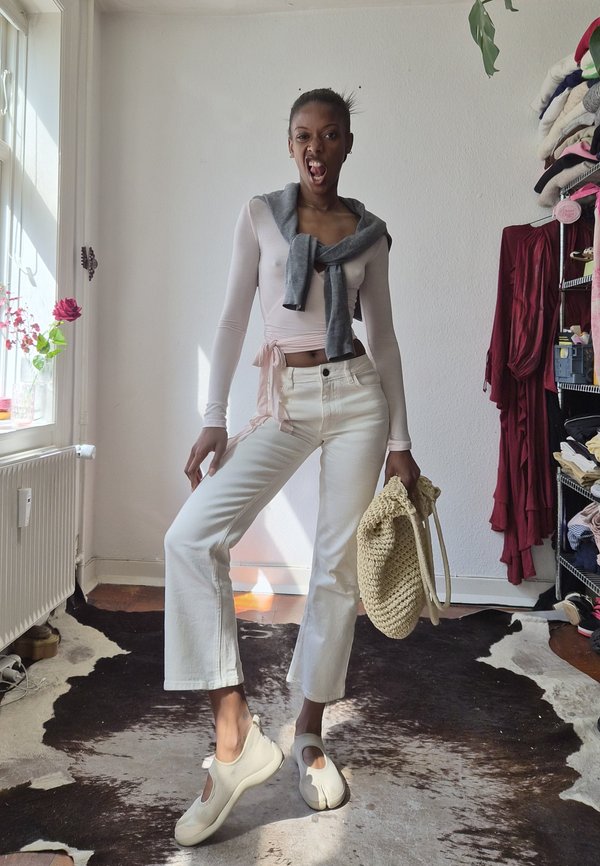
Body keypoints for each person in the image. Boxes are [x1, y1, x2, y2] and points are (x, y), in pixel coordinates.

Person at [164, 87, 420, 847]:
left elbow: (387, 339)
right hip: (287, 398)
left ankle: (309, 733)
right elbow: (232, 315)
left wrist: (401, 439)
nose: (316, 148)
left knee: (335, 570)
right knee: (190, 538)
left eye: (330, 135)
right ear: (290, 144)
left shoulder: (371, 236)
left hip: (358, 397)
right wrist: (214, 417)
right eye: (304, 135)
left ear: (347, 145)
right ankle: (235, 736)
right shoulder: (259, 217)